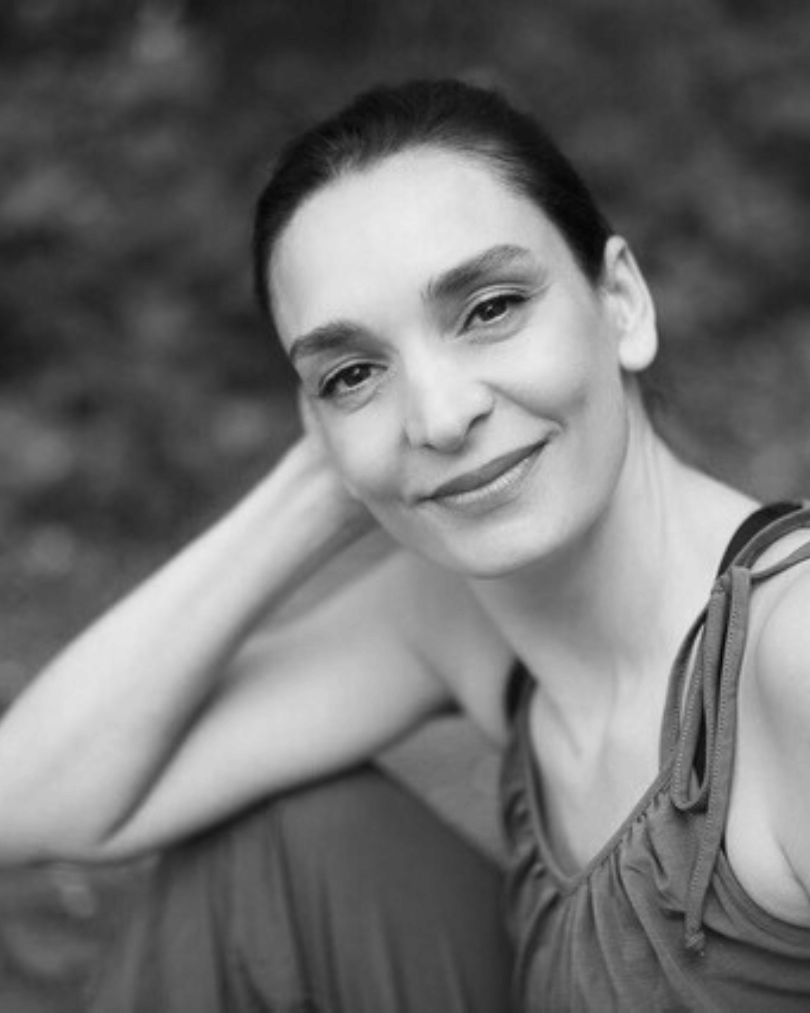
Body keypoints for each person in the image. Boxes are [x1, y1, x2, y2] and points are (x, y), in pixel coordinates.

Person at [1, 78, 810, 1011]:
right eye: (353, 372)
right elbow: (34, 798)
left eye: (492, 307)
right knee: (275, 846)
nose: (439, 414)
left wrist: (359, 426)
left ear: (621, 302)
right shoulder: (468, 624)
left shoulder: (788, 658)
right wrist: (322, 483)